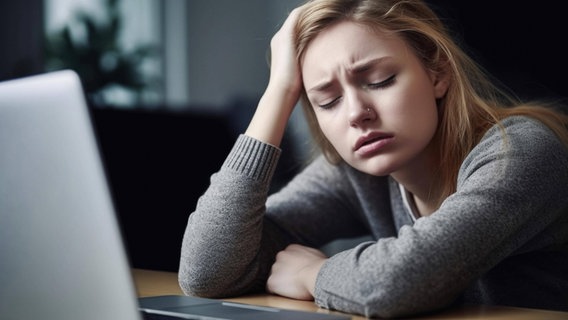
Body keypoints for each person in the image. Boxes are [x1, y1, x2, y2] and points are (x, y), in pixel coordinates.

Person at [178, 0, 568, 318]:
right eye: (327, 101)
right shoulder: (355, 173)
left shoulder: (522, 151)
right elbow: (206, 272)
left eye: (379, 80)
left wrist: (313, 274)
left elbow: (401, 282)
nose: (355, 113)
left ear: (437, 73)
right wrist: (278, 93)